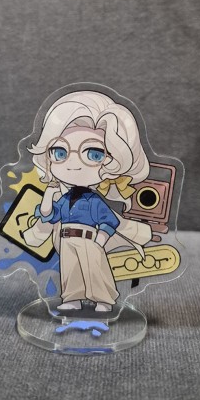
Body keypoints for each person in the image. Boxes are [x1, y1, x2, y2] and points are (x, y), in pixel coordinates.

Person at [27, 91, 151, 313]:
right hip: (66, 238)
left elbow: (109, 221)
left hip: (89, 239)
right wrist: (48, 195)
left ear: (112, 161)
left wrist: (101, 239)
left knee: (95, 270)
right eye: (60, 152)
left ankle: (103, 299)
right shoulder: (65, 198)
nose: (74, 164)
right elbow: (48, 216)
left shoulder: (93, 200)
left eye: (94, 154)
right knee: (70, 271)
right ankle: (72, 298)